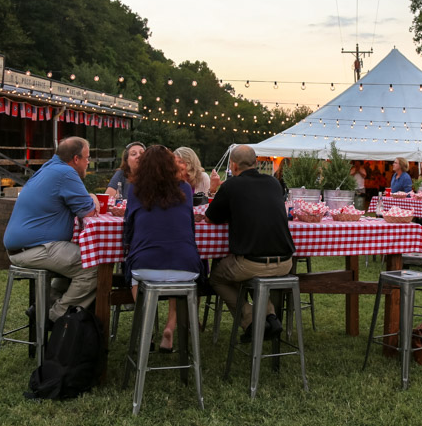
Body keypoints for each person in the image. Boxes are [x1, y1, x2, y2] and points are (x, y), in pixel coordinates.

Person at [3, 136, 100, 324]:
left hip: (25, 247)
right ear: (76, 159)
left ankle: (41, 307)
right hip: (33, 248)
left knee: (76, 262)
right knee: (92, 265)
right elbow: (89, 212)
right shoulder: (66, 174)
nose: (89, 162)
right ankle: (55, 317)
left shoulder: (48, 168)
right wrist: (93, 197)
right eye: (87, 158)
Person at [205, 145, 295, 344]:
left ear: (233, 166)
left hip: (251, 263)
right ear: (256, 163)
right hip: (286, 263)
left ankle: (250, 320)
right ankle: (271, 317)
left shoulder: (230, 186)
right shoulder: (274, 183)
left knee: (218, 277)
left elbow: (211, 218)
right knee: (246, 274)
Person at [124, 145, 203, 352]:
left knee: (133, 273)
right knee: (178, 272)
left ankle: (146, 329)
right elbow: (190, 227)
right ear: (171, 165)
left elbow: (129, 227)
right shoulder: (184, 188)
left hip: (146, 264)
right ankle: (170, 328)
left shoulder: (135, 189)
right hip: (186, 266)